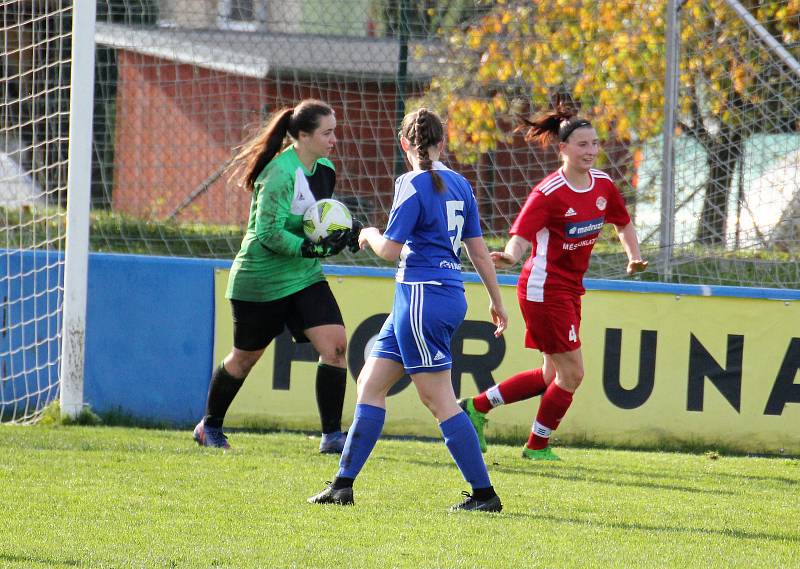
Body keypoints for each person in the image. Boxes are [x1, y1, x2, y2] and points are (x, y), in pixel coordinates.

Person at [307, 108, 509, 512]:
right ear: (442, 143)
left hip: (421, 298)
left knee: (439, 401)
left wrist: (368, 233)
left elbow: (391, 250)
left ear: (405, 144)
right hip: (437, 297)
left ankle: (485, 495)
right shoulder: (461, 184)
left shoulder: (412, 183)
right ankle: (342, 486)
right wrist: (497, 300)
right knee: (370, 383)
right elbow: (480, 252)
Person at [458, 104, 648, 461]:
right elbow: (521, 234)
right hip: (543, 289)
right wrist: (511, 256)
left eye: (594, 144)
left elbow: (622, 222)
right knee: (573, 373)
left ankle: (476, 407)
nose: (590, 151)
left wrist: (632, 256)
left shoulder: (604, 185)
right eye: (581, 145)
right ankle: (537, 446)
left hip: (569, 288)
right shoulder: (549, 193)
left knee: (551, 374)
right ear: (563, 149)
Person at [193, 99, 361, 453]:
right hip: (261, 281)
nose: (334, 139)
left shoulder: (326, 169)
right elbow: (267, 234)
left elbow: (315, 221)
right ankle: (210, 427)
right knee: (244, 358)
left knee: (335, 347)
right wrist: (310, 249)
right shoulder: (279, 174)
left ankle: (332, 436)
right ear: (302, 136)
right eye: (327, 132)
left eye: (335, 131)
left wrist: (343, 230)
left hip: (304, 276)